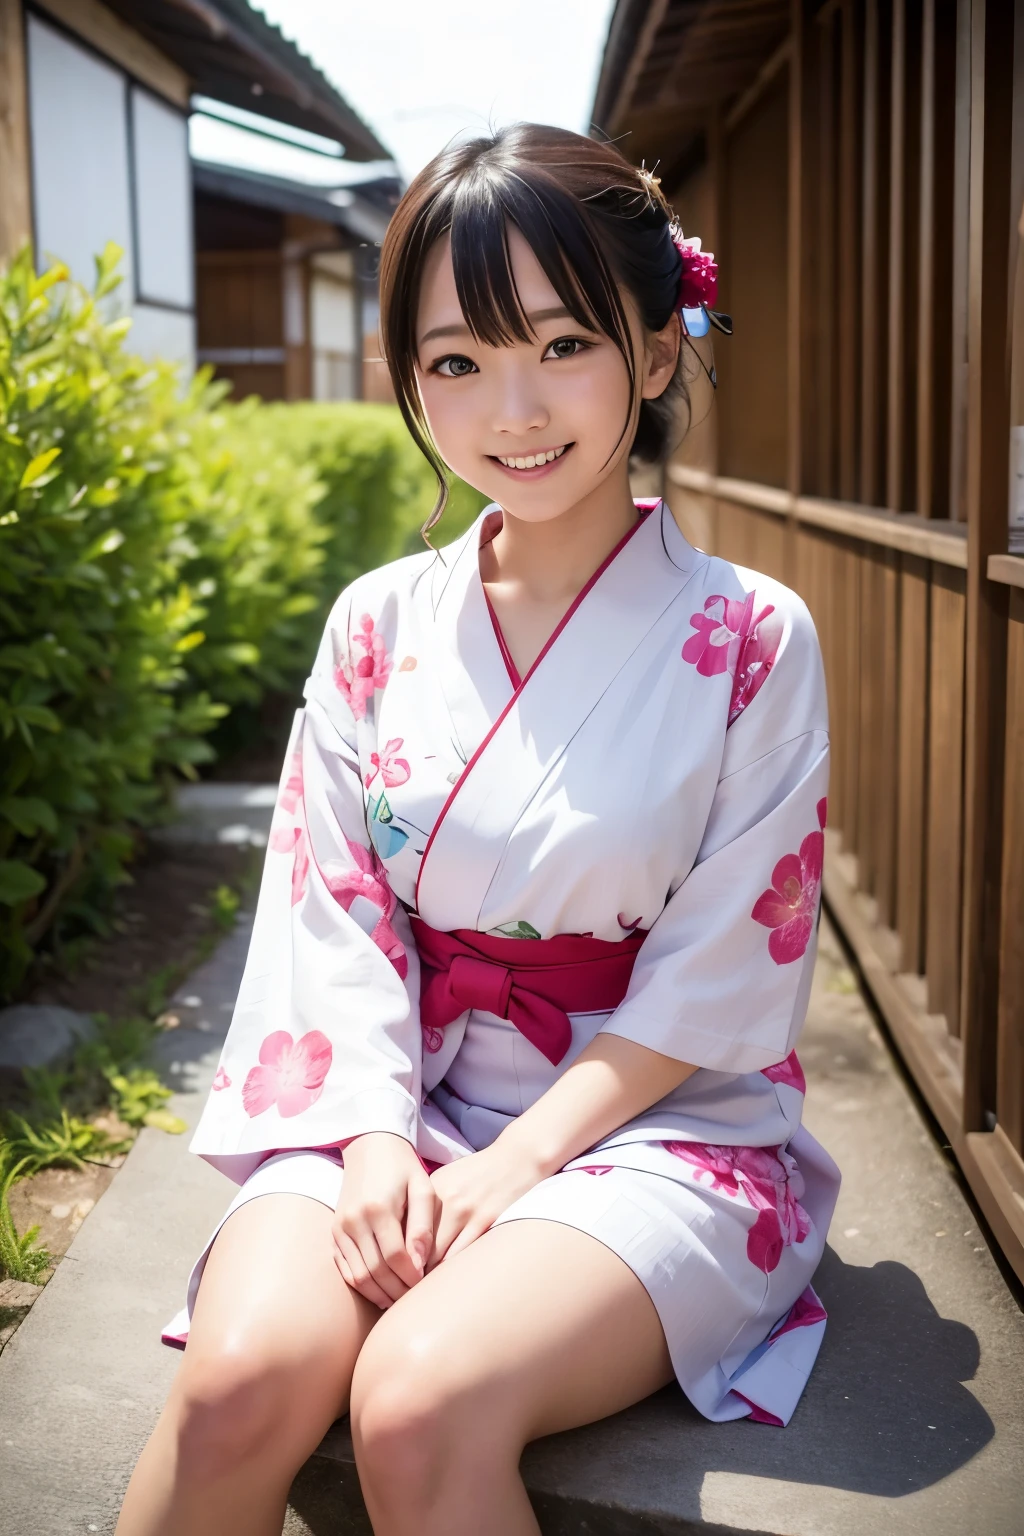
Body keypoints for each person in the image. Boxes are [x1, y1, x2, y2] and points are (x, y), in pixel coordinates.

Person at [116, 123, 838, 1536]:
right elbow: (333, 909)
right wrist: (378, 1135)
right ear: (411, 382)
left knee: (417, 1399)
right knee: (238, 1381)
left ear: (652, 345)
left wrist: (508, 1171)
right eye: (456, 361)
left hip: (658, 1125)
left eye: (563, 344)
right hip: (387, 1098)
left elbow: (718, 979)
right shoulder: (376, 623)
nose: (513, 409)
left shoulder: (752, 634)